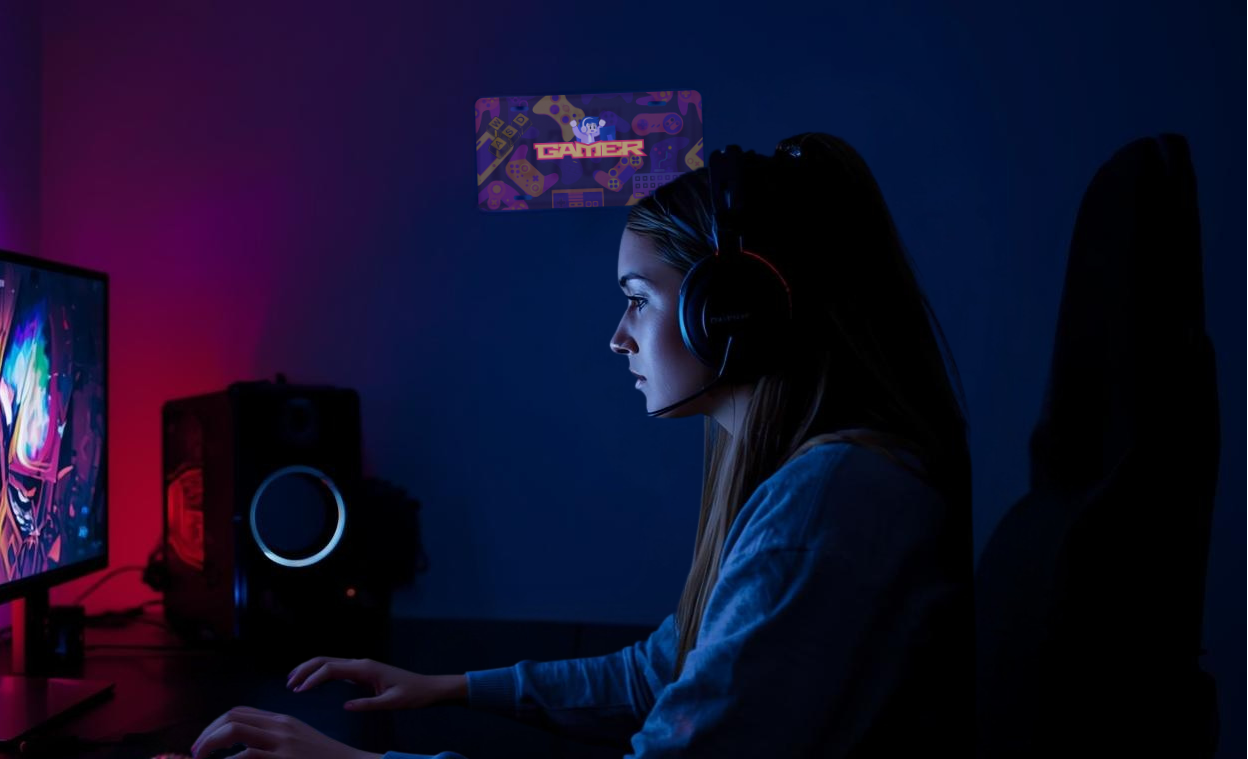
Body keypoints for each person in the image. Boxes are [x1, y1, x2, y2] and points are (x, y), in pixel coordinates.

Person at [190, 133, 976, 759]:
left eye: (637, 301)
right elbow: (661, 671)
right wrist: (445, 686)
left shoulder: (827, 499)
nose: (617, 338)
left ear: (729, 311)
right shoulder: (823, 479)